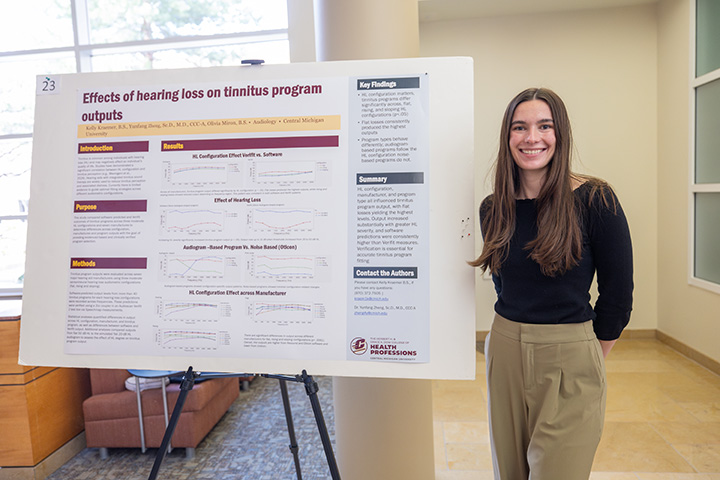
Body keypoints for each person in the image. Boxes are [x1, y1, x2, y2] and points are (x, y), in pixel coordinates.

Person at [470, 87, 633, 479]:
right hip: (504, 349)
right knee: (509, 472)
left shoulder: (596, 199)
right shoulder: (493, 208)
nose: (532, 138)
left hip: (571, 352)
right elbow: (503, 285)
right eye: (519, 128)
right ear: (508, 138)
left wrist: (586, 354)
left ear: (560, 133)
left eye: (544, 126)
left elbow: (618, 294)